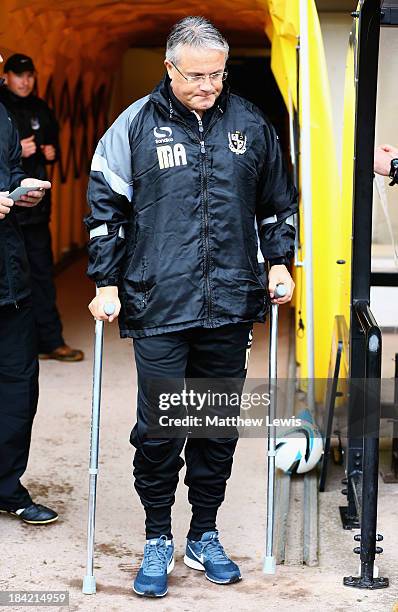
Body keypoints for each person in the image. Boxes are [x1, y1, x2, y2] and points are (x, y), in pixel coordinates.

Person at [85, 16, 297, 598]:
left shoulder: (251, 124)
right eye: (198, 74)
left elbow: (277, 204)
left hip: (229, 299)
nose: (210, 84)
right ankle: (158, 535)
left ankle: (204, 532)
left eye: (218, 73)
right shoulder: (133, 127)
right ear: (170, 67)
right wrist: (106, 282)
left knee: (214, 426)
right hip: (158, 299)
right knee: (159, 429)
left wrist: (278, 262)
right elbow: (105, 208)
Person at [0, 53, 58, 524]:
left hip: (9, 278)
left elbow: (7, 176)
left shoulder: (1, 114)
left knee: (20, 387)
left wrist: (23, 187)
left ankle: (5, 486)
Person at [0, 53, 83, 362]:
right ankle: (18, 348)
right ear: (6, 76)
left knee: (42, 276)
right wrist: (18, 150)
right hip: (5, 214)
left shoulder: (40, 108)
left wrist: (51, 152)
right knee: (11, 282)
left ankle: (49, 340)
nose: (25, 81)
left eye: (30, 75)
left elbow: (57, 147)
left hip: (33, 209)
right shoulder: (1, 108)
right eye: (19, 75)